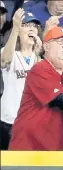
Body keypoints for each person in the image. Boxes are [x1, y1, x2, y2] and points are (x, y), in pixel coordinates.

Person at [9, 26, 63, 151]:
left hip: (60, 149)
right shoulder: (39, 69)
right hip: (30, 148)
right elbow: (59, 99)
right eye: (60, 42)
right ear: (46, 46)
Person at [0, 9, 42, 150]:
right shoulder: (10, 52)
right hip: (9, 121)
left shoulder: (40, 61)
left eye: (34, 26)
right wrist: (16, 27)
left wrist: (37, 55)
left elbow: (40, 86)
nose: (31, 28)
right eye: (27, 25)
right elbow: (5, 60)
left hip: (31, 122)